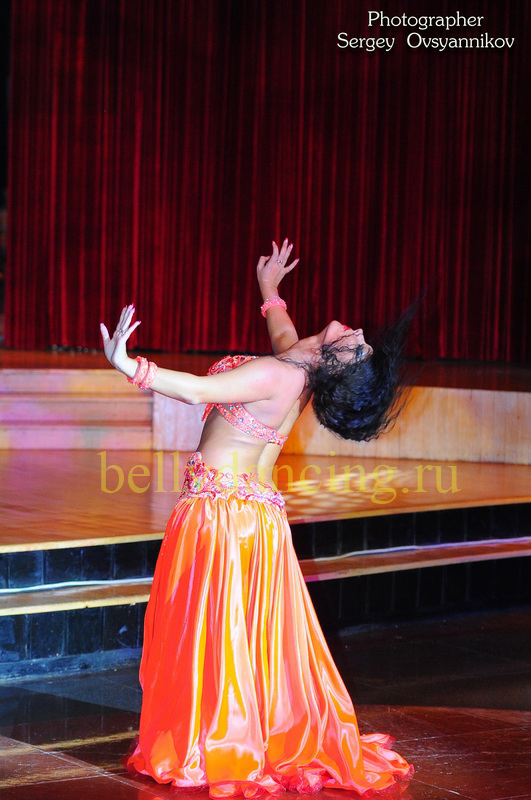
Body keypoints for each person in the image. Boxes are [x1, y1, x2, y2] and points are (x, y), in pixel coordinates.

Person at [100, 239, 415, 798]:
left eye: (359, 347)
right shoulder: (299, 367)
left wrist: (130, 365)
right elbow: (285, 337)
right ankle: (246, 734)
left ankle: (220, 743)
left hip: (222, 514)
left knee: (217, 634)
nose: (361, 333)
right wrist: (269, 289)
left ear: (338, 364)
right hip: (253, 518)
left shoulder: (280, 376)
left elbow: (197, 391)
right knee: (243, 637)